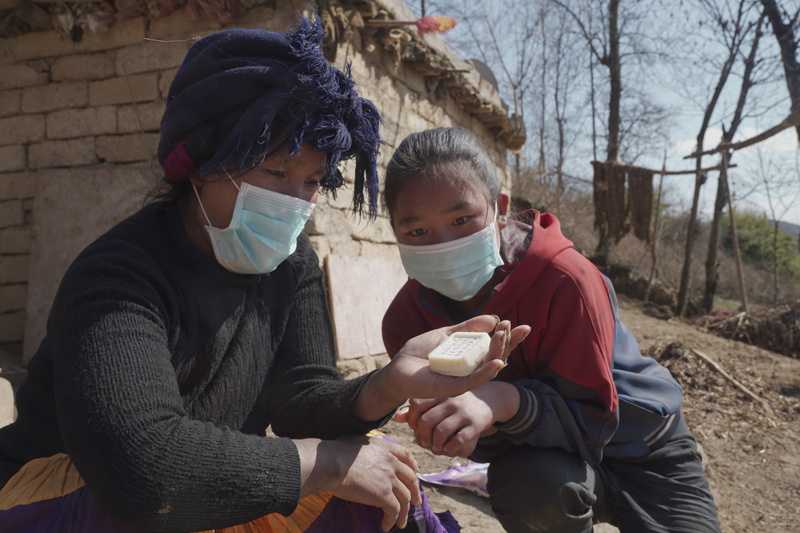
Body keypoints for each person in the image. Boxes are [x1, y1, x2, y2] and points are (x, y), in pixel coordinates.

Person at [0, 22, 529, 533]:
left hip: (194, 484)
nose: (294, 201)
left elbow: (301, 402)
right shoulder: (117, 277)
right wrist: (326, 464)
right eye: (275, 172)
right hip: (73, 495)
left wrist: (388, 382)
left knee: (385, 490)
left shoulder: (291, 263)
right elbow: (141, 470)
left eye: (313, 181)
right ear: (203, 163)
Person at [381, 127, 722, 533]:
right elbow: (494, 446)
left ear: (500, 207)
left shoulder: (567, 280)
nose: (444, 243)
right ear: (395, 232)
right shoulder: (408, 327)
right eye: (417, 231)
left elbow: (596, 421)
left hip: (647, 451)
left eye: (461, 219)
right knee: (528, 486)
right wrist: (459, 431)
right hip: (545, 465)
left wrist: (502, 399)